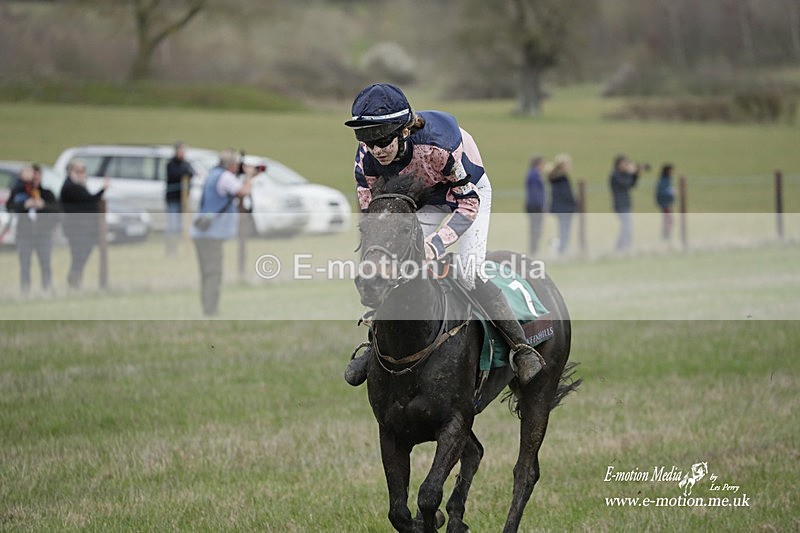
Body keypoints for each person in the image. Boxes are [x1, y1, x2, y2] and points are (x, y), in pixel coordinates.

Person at [342, 82, 543, 387]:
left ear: (404, 131)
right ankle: (374, 347)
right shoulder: (365, 160)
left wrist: (436, 245)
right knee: (396, 267)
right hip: (419, 199)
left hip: (467, 193)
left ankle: (520, 348)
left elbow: (468, 202)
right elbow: (375, 219)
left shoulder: (438, 145)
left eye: (384, 140)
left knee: (466, 271)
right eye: (368, 141)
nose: (377, 149)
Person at [191, 149, 253, 317]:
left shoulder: (213, 174)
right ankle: (211, 311)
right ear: (232, 165)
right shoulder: (225, 177)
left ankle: (208, 308)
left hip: (201, 232)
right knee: (213, 273)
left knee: (207, 273)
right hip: (211, 234)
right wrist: (248, 177)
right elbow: (243, 192)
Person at [5, 164, 60, 295]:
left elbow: (57, 211)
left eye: (37, 175)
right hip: (24, 234)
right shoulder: (20, 192)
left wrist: (44, 205)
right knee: (25, 265)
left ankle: (46, 290)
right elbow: (10, 206)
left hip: (43, 234)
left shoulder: (47, 194)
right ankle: (25, 292)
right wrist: (24, 205)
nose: (35, 178)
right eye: (32, 175)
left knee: (45, 263)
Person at [60, 159, 109, 289]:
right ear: (71, 171)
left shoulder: (78, 186)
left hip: (85, 230)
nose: (82, 174)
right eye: (79, 171)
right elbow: (90, 200)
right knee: (79, 257)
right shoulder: (71, 187)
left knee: (81, 257)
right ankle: (74, 282)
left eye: (83, 170)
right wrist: (103, 189)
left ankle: (76, 282)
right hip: (77, 230)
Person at [609, 154, 645, 252]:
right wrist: (631, 172)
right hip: (620, 205)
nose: (626, 165)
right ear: (619, 164)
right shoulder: (615, 175)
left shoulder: (623, 174)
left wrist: (636, 174)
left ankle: (620, 247)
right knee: (627, 226)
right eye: (625, 163)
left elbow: (632, 184)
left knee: (626, 226)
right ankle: (624, 247)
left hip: (626, 204)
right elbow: (626, 183)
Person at [165, 141, 195, 255]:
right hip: (173, 200)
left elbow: (191, 173)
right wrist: (184, 173)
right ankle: (171, 250)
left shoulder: (186, 163)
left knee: (182, 226)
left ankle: (181, 248)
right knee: (172, 226)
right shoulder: (170, 164)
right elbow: (175, 174)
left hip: (184, 200)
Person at [548, 153, 577, 256]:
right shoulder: (558, 178)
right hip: (563, 209)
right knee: (564, 231)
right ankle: (561, 251)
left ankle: (563, 250)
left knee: (565, 231)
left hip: (566, 209)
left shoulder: (563, 178)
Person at [524, 155, 546, 255]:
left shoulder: (533, 174)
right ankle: (534, 250)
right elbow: (535, 192)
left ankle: (534, 249)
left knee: (535, 228)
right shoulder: (534, 176)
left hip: (533, 205)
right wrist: (541, 205)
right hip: (535, 206)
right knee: (536, 228)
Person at [656, 163, 676, 241]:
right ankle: (666, 237)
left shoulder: (666, 179)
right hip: (664, 203)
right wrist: (670, 191)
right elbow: (661, 192)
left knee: (668, 220)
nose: (672, 173)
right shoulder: (663, 180)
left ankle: (666, 237)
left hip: (666, 203)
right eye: (671, 171)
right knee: (669, 220)